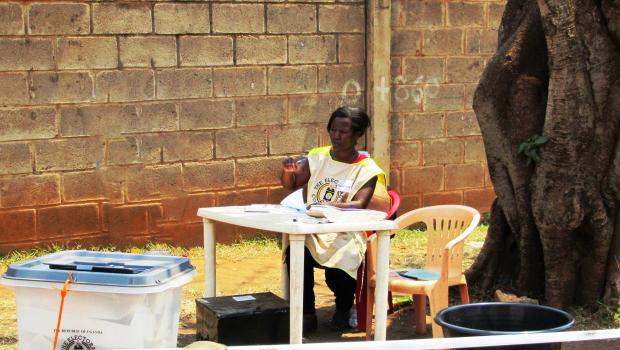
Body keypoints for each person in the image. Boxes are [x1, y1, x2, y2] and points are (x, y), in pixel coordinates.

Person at [280, 106, 390, 332]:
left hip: (347, 231)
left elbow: (360, 204)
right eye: (333, 130)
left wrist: (327, 206)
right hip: (313, 228)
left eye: (343, 132)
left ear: (357, 135)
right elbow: (292, 184)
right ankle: (307, 313)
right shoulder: (317, 157)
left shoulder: (366, 168)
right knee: (295, 252)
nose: (336, 136)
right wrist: (289, 170)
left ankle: (343, 307)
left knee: (341, 262)